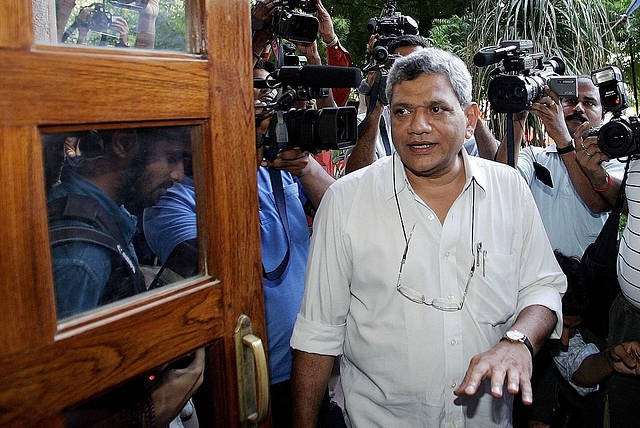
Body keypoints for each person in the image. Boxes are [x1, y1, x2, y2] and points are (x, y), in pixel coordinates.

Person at [290, 47, 566, 427]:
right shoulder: (346, 201)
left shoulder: (509, 190)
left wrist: (518, 342)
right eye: (402, 111)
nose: (417, 125)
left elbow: (543, 289)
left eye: (436, 109)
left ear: (470, 119)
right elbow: (317, 336)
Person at [143, 60, 336, 427]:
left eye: (267, 94)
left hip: (311, 361)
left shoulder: (277, 170)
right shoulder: (170, 204)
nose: (263, 104)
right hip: (243, 376)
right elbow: (220, 263)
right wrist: (244, 156)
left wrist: (306, 168)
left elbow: (343, 215)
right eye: (253, 94)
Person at [46, 126, 204, 427]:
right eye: (171, 158)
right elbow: (65, 405)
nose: (178, 175)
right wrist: (156, 407)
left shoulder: (101, 214)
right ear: (124, 144)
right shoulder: (80, 259)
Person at [486, 75, 625, 259]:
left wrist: (563, 141)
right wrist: (519, 116)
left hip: (591, 279)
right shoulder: (535, 156)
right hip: (539, 279)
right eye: (571, 101)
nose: (577, 108)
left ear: (603, 114)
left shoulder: (615, 161)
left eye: (589, 103)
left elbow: (598, 204)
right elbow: (501, 183)